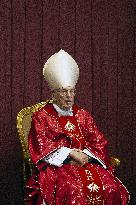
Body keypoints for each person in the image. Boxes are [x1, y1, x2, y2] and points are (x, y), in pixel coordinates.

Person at [26, 50, 129, 205]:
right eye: (63, 91)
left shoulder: (83, 115)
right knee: (74, 190)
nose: (69, 95)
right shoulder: (41, 116)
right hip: (60, 167)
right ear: (54, 94)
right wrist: (70, 153)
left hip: (87, 163)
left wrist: (86, 156)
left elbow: (99, 141)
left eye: (71, 91)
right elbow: (40, 146)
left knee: (110, 187)